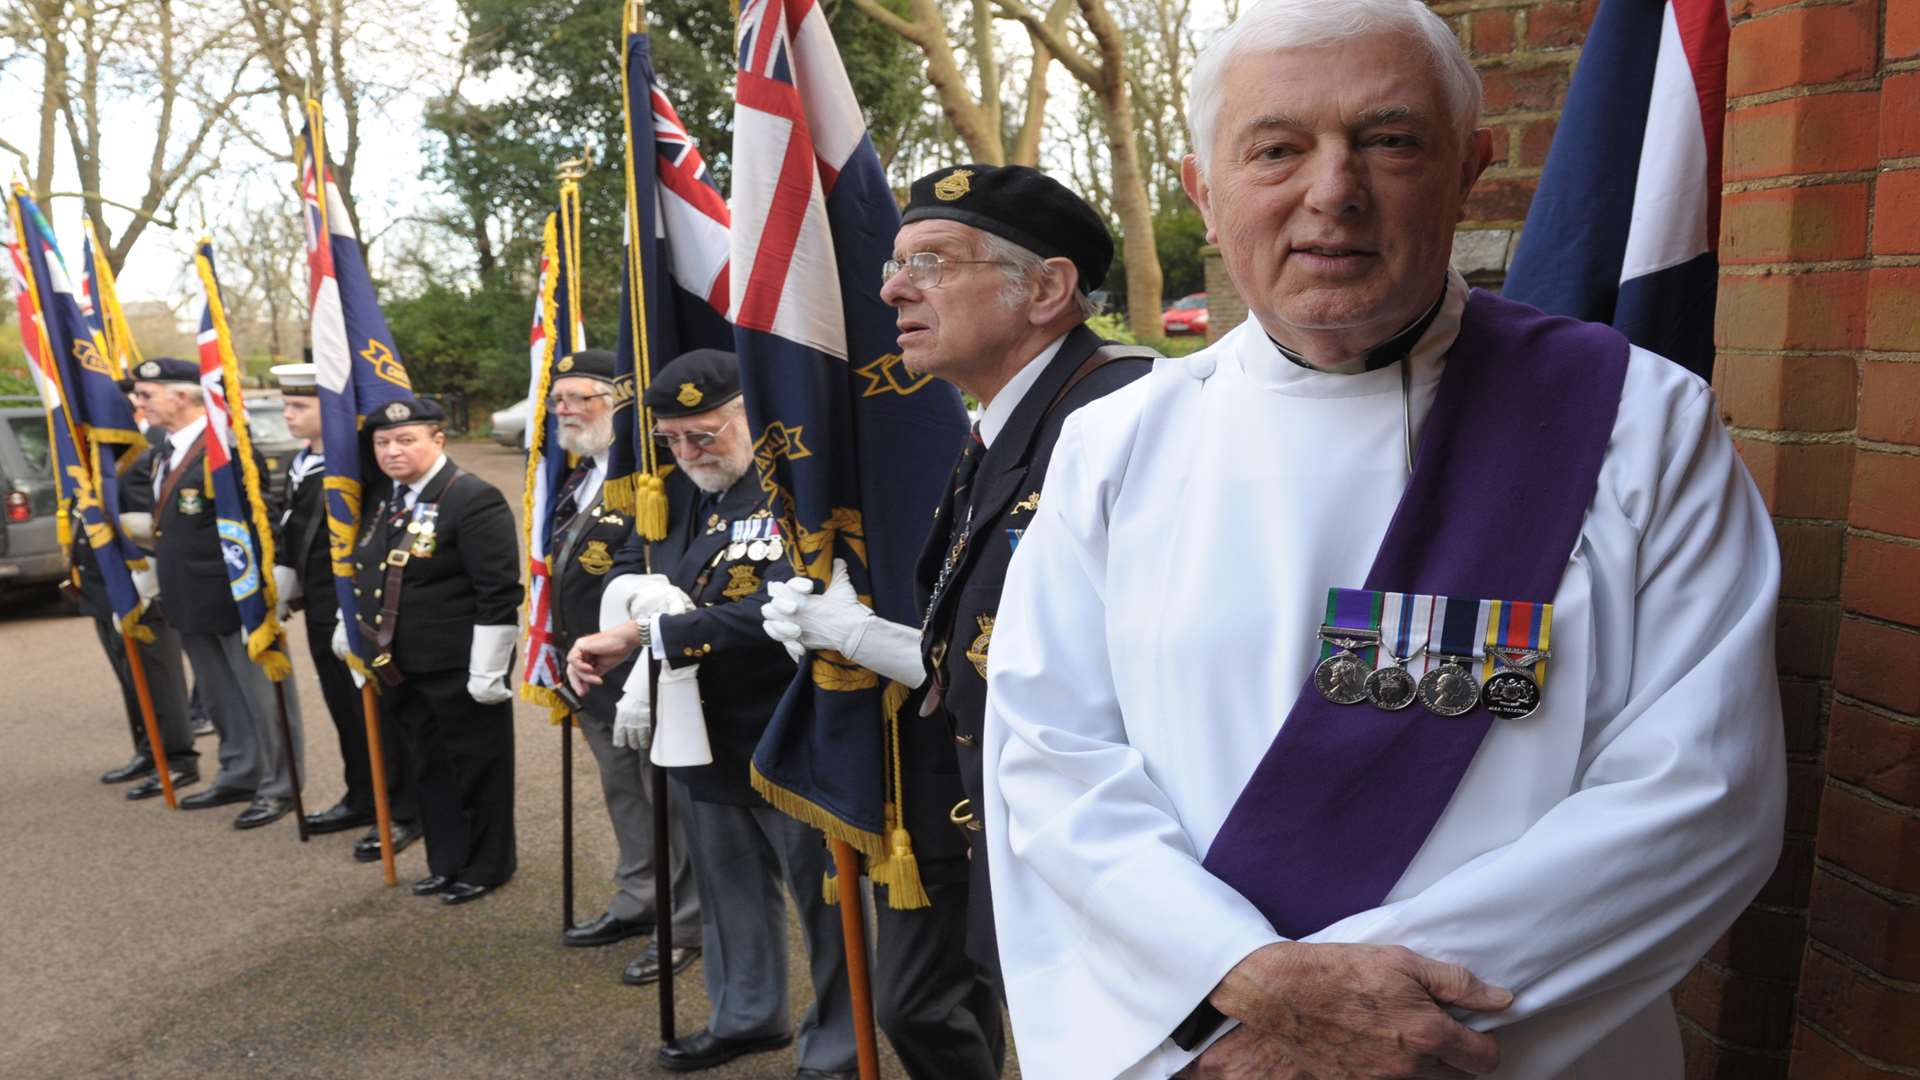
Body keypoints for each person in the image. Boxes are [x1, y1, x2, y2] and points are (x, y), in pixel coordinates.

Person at [977, 2, 1789, 1078]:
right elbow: (1052, 764)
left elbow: (1701, 794)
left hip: (1498, 1052)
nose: (1332, 192)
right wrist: (1241, 985)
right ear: (1203, 196)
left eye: (1389, 140)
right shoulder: (1115, 448)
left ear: (1470, 171)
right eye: (1276, 148)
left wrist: (1355, 1028)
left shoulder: (1638, 425)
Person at [760, 163, 1154, 1079]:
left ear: (1049, 290)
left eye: (932, 263)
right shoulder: (1005, 422)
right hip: (1016, 827)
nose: (893, 288)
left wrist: (867, 641)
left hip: (1112, 859)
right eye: (898, 264)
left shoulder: (1125, 416)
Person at [567, 349, 856, 1080]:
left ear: (751, 419)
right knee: (728, 892)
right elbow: (675, 587)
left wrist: (649, 634)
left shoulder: (801, 489)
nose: (688, 453)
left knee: (827, 905)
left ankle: (840, 1046)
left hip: (791, 730)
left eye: (705, 435)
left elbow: (785, 605)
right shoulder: (701, 496)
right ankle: (748, 1014)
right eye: (671, 440)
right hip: (704, 729)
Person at [538, 349, 702, 977]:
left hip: (640, 671)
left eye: (584, 396)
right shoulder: (577, 478)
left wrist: (636, 668)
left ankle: (685, 921)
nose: (567, 410)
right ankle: (640, 896)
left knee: (669, 804)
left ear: (621, 402)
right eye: (559, 400)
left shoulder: (651, 482)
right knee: (623, 793)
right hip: (589, 671)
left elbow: (661, 582)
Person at [336, 396, 521, 905]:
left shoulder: (471, 498)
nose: (393, 451)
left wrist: (489, 668)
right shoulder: (383, 499)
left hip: (459, 666)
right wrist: (350, 626)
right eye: (382, 443)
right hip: (399, 667)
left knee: (477, 768)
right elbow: (368, 569)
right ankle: (446, 861)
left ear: (438, 441)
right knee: (428, 768)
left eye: (405, 439)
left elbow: (499, 590)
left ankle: (487, 865)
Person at [130, 357, 304, 830]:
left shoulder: (224, 449)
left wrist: (264, 589)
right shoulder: (165, 449)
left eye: (147, 395)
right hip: (189, 595)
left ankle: (279, 785)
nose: (139, 403)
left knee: (261, 696)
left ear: (181, 396)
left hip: (234, 593)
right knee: (219, 693)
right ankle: (240, 770)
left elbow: (258, 520)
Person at [270, 363, 422, 860]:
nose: (288, 415)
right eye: (287, 404)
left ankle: (402, 809)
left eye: (300, 406)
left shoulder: (355, 471)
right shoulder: (303, 463)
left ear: (333, 411)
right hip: (315, 607)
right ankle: (362, 795)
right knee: (344, 709)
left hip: (355, 609)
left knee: (376, 713)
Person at [81, 409, 199, 800]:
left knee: (156, 676)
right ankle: (148, 750)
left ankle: (177, 758)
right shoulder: (91, 460)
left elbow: (143, 529)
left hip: (136, 588)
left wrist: (141, 582)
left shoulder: (133, 458)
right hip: (103, 587)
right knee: (129, 676)